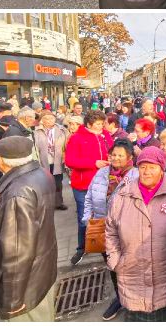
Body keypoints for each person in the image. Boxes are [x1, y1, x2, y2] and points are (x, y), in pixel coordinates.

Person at [0, 136, 58, 321]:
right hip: (40, 270)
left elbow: (18, 250)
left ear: (1, 161)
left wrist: (13, 299)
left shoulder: (18, 193)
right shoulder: (40, 173)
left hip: (25, 284)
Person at [104, 145, 166, 321]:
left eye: (152, 167)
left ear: (162, 169)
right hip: (132, 279)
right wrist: (115, 260)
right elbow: (111, 230)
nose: (146, 172)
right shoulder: (123, 196)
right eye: (142, 166)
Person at [84, 140, 136, 319]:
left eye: (121, 155)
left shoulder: (136, 175)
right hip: (103, 229)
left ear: (129, 157)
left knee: (129, 265)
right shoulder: (101, 173)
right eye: (113, 154)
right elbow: (89, 197)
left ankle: (132, 297)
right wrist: (87, 220)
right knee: (111, 264)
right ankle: (119, 298)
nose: (116, 158)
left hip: (128, 231)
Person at [64, 111, 112, 266]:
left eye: (102, 123)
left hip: (103, 184)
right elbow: (70, 161)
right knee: (84, 219)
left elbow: (112, 150)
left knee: (103, 218)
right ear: (89, 124)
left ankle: (104, 247)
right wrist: (94, 163)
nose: (101, 126)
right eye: (98, 124)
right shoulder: (77, 138)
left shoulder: (105, 135)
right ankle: (82, 248)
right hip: (83, 185)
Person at [34, 110, 69, 210]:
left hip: (57, 160)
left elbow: (67, 144)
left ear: (55, 119)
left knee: (58, 183)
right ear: (42, 120)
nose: (49, 120)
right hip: (44, 160)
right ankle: (46, 204)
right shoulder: (36, 131)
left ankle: (58, 202)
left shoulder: (62, 130)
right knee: (44, 183)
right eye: (46, 119)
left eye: (51, 118)